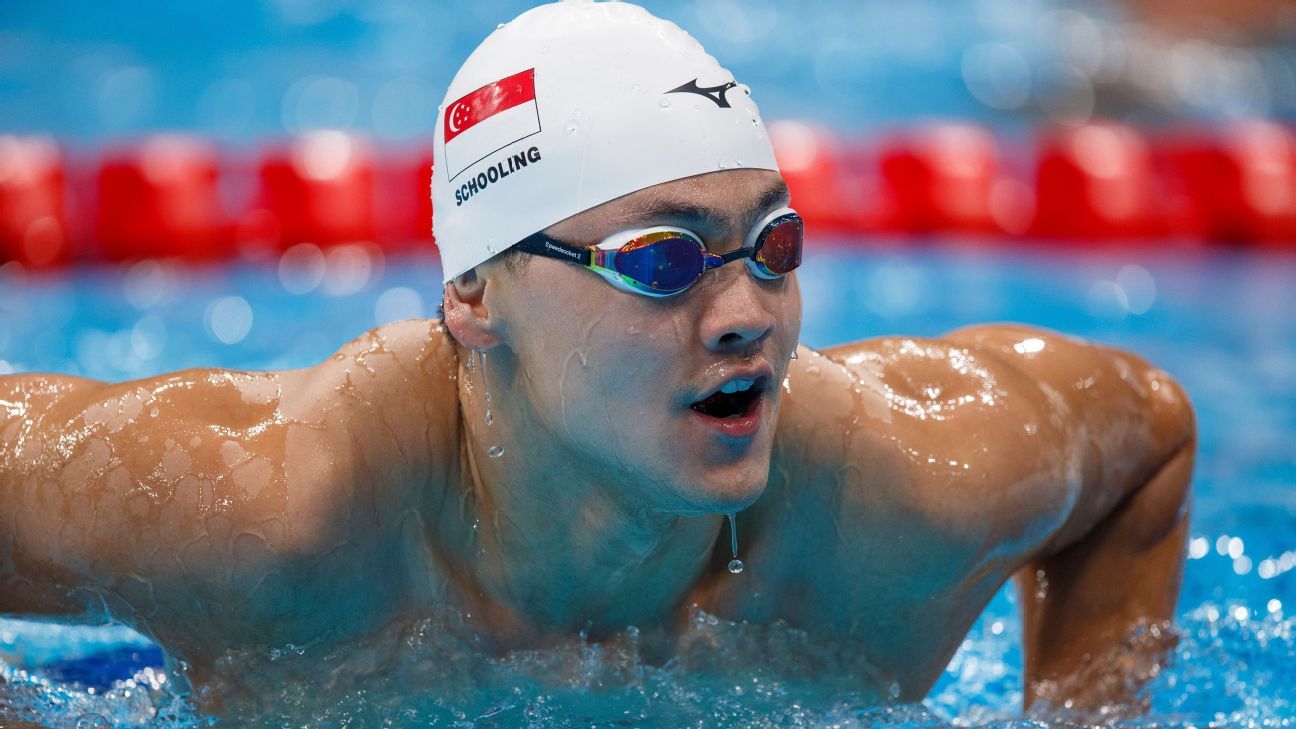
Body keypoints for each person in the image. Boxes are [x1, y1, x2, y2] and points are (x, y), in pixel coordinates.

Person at [0, 0, 1193, 721]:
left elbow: (1145, 432)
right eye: (664, 262)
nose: (748, 317)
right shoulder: (271, 513)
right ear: (475, 294)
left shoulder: (894, 497)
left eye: (773, 246)